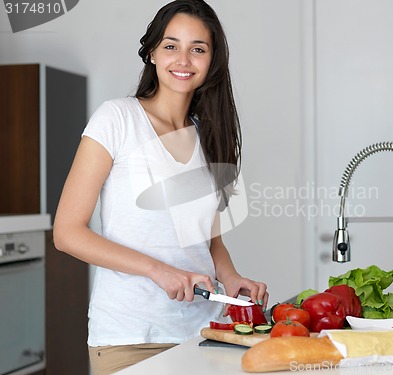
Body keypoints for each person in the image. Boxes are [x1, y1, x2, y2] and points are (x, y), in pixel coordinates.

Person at [53, 1, 268, 374]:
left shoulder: (210, 136)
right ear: (152, 51)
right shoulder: (116, 119)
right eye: (171, 46)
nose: (183, 59)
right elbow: (67, 232)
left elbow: (210, 240)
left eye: (197, 49)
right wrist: (158, 270)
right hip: (131, 337)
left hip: (205, 334)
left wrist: (231, 279)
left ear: (211, 60)